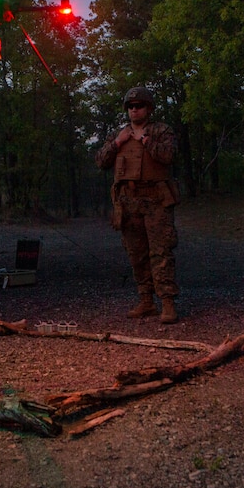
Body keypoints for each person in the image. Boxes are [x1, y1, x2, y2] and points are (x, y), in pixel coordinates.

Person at [96, 86, 181, 323]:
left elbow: (169, 156)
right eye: (131, 107)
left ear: (149, 108)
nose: (134, 110)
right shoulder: (119, 134)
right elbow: (101, 161)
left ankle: (167, 302)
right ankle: (146, 301)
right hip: (128, 202)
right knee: (137, 254)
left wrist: (145, 141)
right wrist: (116, 143)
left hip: (156, 201)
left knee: (161, 252)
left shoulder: (161, 131)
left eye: (139, 106)